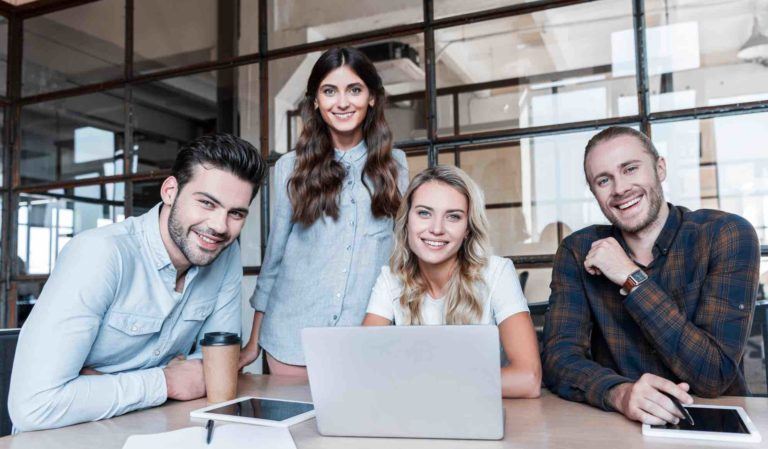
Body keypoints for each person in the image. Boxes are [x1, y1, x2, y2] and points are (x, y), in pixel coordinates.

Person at [8, 133, 267, 431]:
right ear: (170, 191)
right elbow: (34, 405)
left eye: (235, 213)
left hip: (152, 428)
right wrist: (166, 381)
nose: (220, 227)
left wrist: (99, 385)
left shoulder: (225, 255)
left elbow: (212, 371)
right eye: (207, 203)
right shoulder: (100, 254)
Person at [542, 126, 759, 425]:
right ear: (594, 193)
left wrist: (631, 278)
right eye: (604, 180)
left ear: (660, 168)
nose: (619, 189)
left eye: (630, 169)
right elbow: (558, 359)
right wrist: (620, 393)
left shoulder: (725, 235)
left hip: (714, 423)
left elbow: (713, 376)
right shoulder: (578, 250)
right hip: (618, 424)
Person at [239, 47, 409, 375]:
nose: (342, 102)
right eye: (329, 91)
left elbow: (399, 255)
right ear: (316, 101)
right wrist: (253, 343)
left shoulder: (395, 166)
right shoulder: (291, 166)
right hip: (292, 338)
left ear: (372, 97)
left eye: (354, 90)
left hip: (366, 340)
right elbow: (274, 258)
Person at [363, 165, 541, 398]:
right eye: (424, 213)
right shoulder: (390, 279)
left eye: (453, 217)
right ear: (407, 221)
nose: (437, 229)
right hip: (413, 418)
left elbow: (528, 379)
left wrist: (425, 382)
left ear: (468, 228)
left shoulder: (497, 273)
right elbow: (363, 367)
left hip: (479, 419)